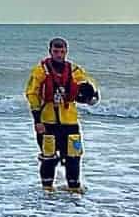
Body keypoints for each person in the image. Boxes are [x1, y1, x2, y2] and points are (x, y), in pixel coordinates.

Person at [24, 37, 98, 193]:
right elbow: (32, 94)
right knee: (48, 158)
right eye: (56, 51)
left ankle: (74, 190)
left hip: (69, 121)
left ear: (66, 52)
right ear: (50, 51)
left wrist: (90, 94)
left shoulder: (74, 70)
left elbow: (87, 82)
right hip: (47, 121)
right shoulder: (40, 71)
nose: (59, 54)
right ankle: (47, 191)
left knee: (74, 157)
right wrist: (37, 121)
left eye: (62, 51)